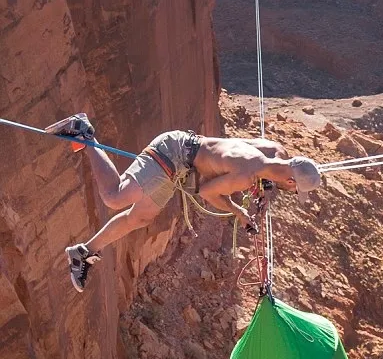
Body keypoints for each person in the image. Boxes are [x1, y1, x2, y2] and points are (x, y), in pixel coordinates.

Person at [45, 114, 321, 292]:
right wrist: (238, 212)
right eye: (292, 190)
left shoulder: (271, 153)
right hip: (172, 152)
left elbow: (276, 152)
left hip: (181, 164)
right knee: (115, 197)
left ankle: (83, 252)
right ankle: (84, 133)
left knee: (140, 217)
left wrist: (264, 185)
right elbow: (208, 192)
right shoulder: (245, 174)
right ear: (292, 183)